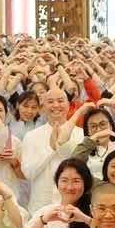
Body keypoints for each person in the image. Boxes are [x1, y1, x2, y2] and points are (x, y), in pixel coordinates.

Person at [21, 87, 86, 215]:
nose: (56, 105)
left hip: (73, 208)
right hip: (40, 207)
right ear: (43, 107)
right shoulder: (32, 136)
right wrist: (51, 148)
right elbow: (28, 173)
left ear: (68, 105)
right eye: (50, 102)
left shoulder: (81, 135)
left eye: (60, 101)